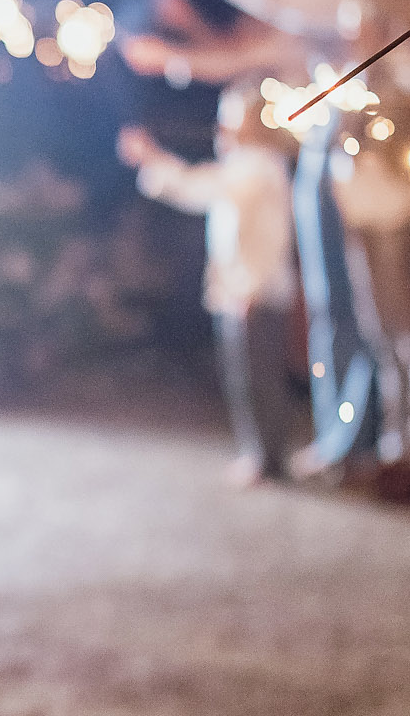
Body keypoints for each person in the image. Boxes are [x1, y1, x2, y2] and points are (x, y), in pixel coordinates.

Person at [117, 81, 299, 484]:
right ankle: (262, 454)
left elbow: (200, 187)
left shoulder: (259, 168)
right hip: (242, 290)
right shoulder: (247, 167)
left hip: (255, 292)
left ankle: (268, 458)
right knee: (247, 378)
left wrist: (152, 157)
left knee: (260, 380)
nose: (223, 129)